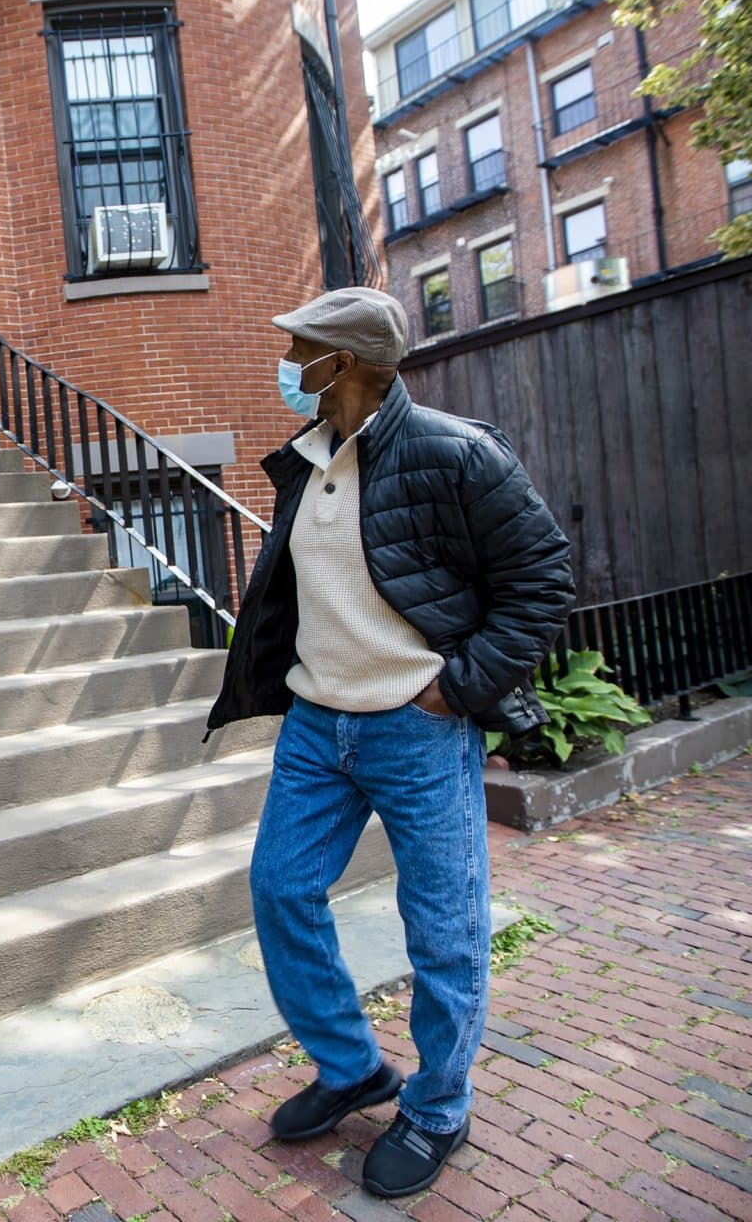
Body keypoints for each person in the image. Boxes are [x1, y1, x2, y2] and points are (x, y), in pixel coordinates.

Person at [206, 286, 575, 1198]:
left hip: (418, 725)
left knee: (443, 928)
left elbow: (543, 575)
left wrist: (458, 688)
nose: (288, 367)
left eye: (301, 352)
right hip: (316, 725)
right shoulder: (305, 459)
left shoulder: (455, 451)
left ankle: (438, 1108)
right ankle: (352, 1070)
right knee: (281, 888)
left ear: (351, 363)